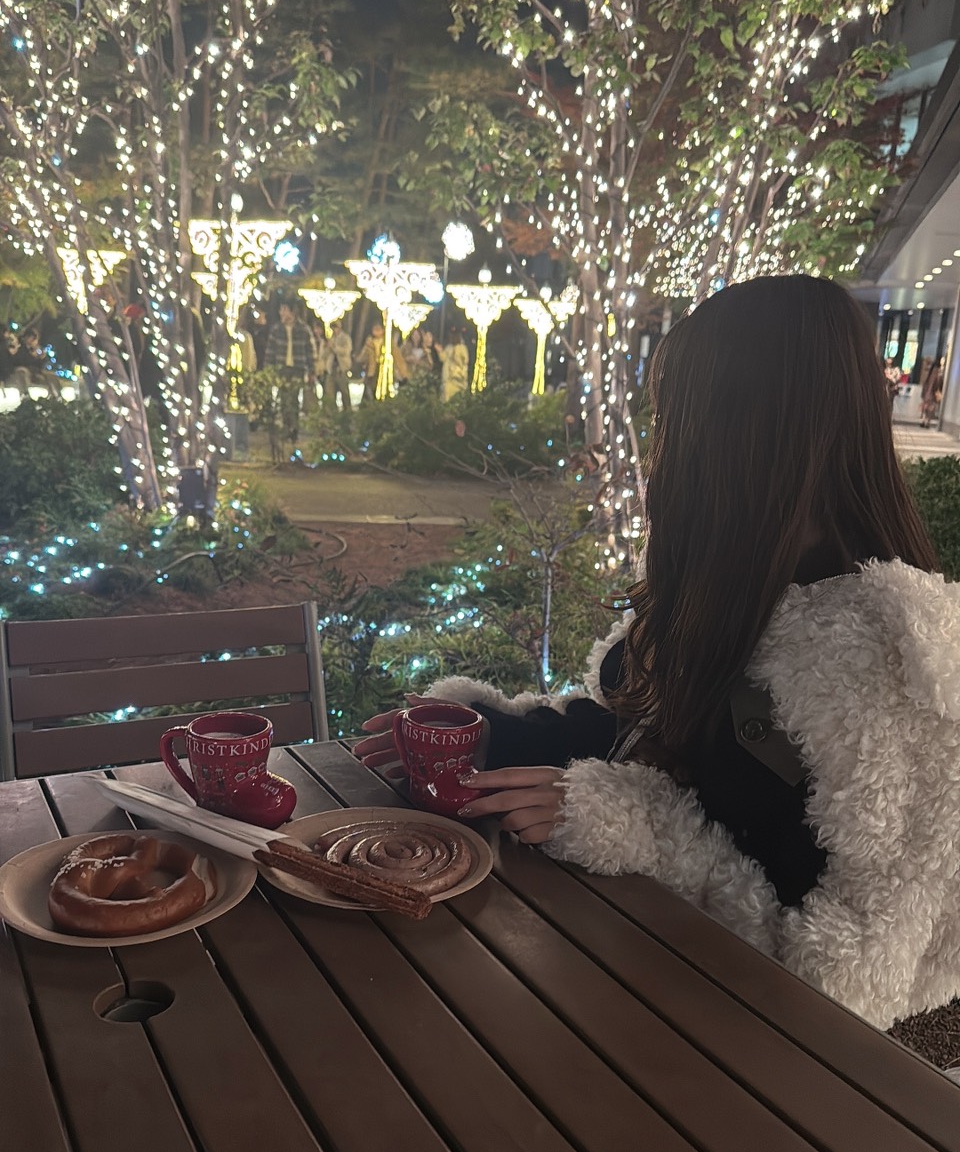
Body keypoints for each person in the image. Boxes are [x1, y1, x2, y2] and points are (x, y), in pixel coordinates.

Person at [355, 274, 960, 1031]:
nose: (659, 453)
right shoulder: (742, 583)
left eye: (673, 420)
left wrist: (629, 821)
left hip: (766, 1052)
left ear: (736, 433)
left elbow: (835, 977)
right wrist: (490, 734)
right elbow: (639, 733)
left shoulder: (885, 665)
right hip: (648, 973)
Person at [264, 296, 315, 446]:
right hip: (282, 368)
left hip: (297, 368)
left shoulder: (303, 329)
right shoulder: (276, 329)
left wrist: (311, 371)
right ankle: (287, 428)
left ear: (292, 311)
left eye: (284, 309)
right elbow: (270, 351)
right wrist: (268, 370)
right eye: (281, 309)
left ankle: (294, 430)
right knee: (283, 399)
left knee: (294, 400)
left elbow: (310, 351)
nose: (281, 312)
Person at [323, 321, 353, 413]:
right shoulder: (331, 339)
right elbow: (325, 354)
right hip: (331, 368)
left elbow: (347, 351)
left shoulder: (345, 338)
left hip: (342, 368)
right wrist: (328, 348)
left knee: (344, 391)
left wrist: (335, 348)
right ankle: (332, 412)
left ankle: (347, 411)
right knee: (330, 392)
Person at [438, 328, 470, 402]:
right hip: (447, 377)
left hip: (457, 378)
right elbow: (443, 358)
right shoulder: (449, 347)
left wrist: (456, 354)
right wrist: (439, 351)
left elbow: (465, 360)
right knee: (446, 396)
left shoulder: (462, 347)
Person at [358, 323, 385, 403]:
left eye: (378, 329)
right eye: (375, 329)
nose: (376, 332)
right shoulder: (369, 342)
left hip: (383, 368)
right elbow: (363, 355)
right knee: (370, 388)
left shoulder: (386, 342)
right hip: (371, 369)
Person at [921, 358, 944, 428]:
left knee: (925, 408)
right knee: (930, 409)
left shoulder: (929, 373)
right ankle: (927, 422)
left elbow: (925, 383)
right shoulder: (938, 374)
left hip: (927, 393)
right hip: (933, 394)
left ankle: (923, 421)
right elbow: (939, 384)